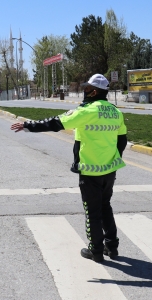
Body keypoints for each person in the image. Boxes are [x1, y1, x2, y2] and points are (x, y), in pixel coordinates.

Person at [11, 74, 128, 263]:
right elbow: (122, 140)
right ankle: (112, 246)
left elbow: (55, 122)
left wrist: (27, 126)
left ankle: (96, 251)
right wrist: (113, 159)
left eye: (87, 88)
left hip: (90, 171)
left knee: (92, 212)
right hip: (109, 170)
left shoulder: (87, 111)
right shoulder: (115, 112)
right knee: (105, 206)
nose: (84, 91)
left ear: (95, 91)